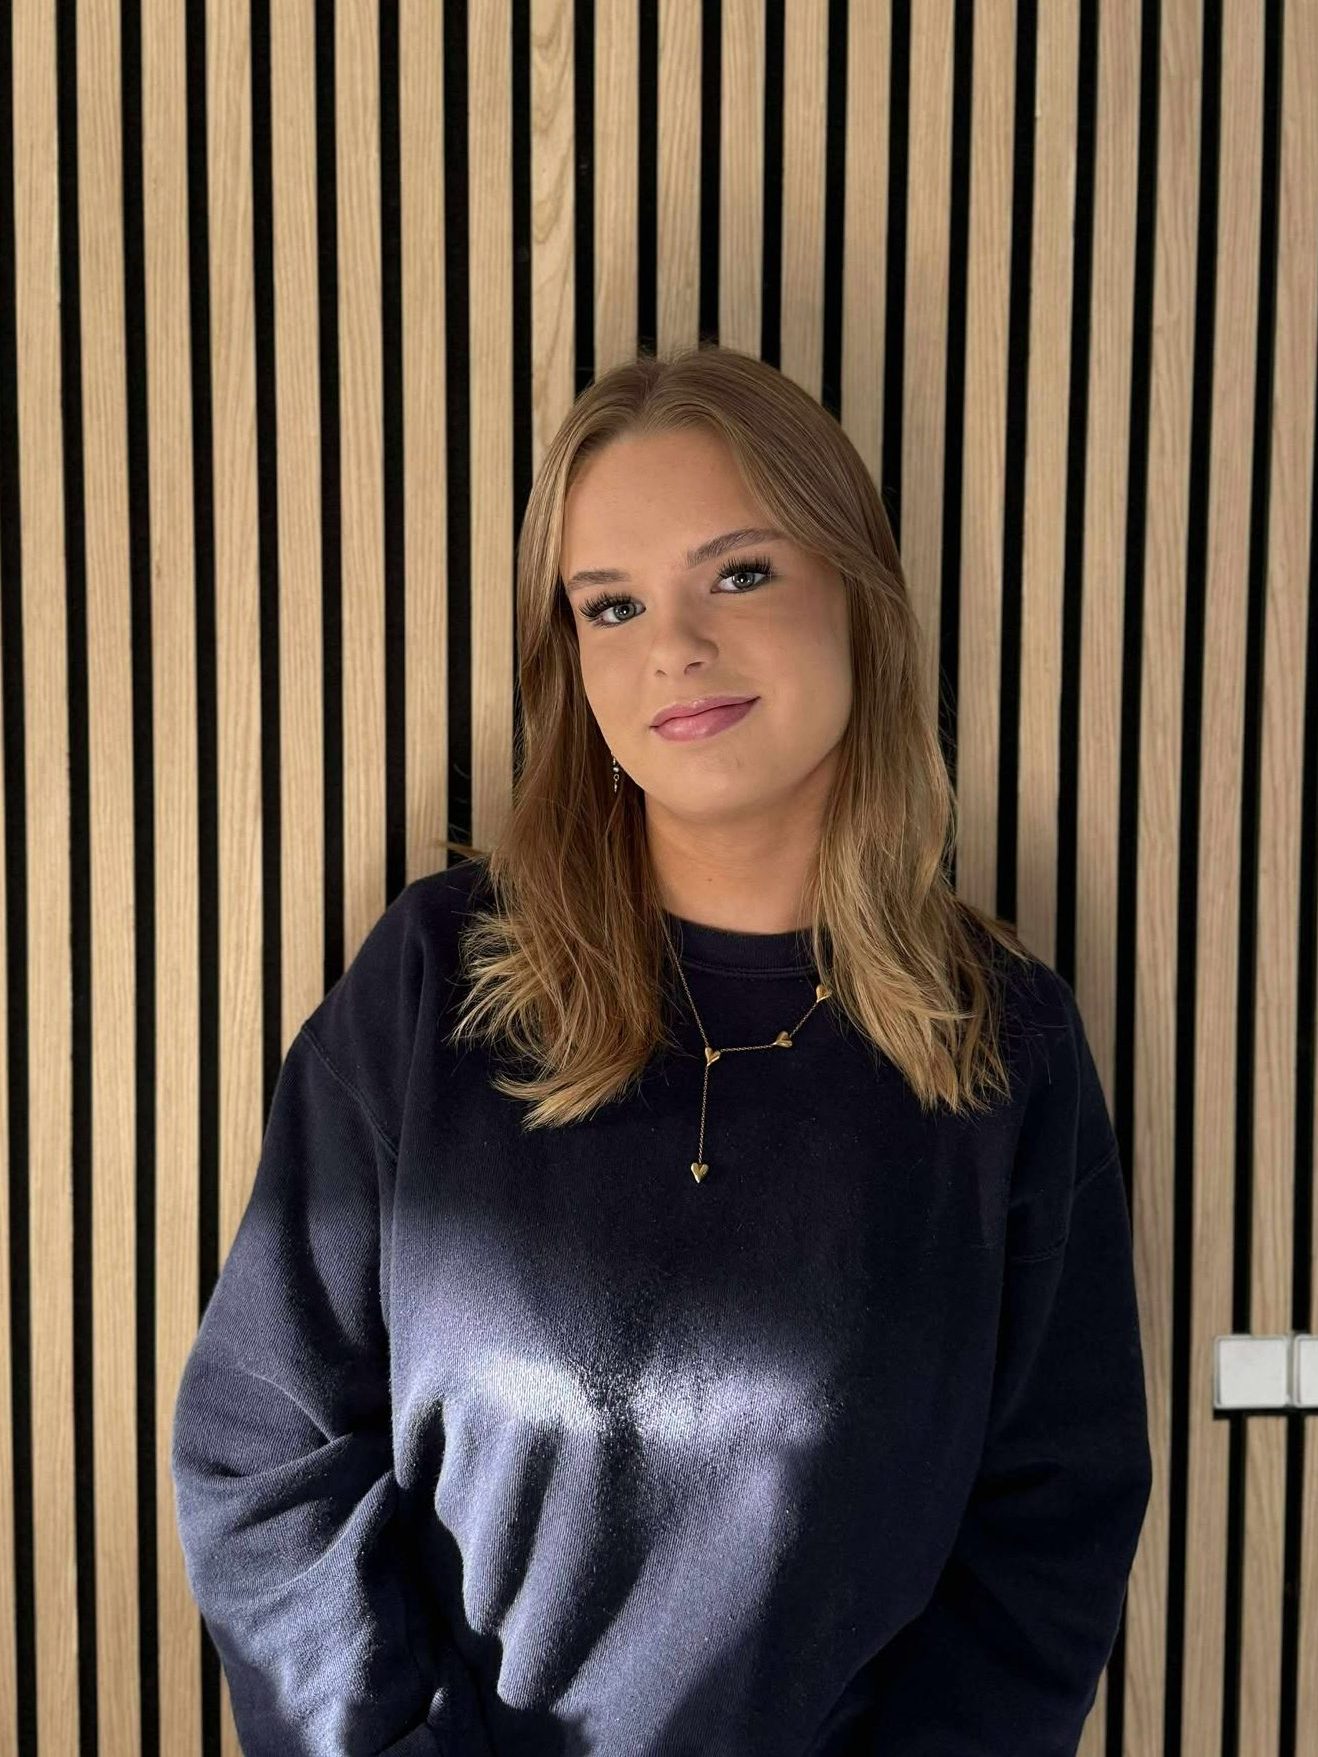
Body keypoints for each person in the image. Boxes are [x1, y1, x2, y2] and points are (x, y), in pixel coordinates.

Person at [171, 344, 1152, 1755]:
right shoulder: (436, 983)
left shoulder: (1003, 1046)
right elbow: (264, 1444)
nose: (672, 647)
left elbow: (1049, 1535)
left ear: (857, 592)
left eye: (737, 574)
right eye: (611, 605)